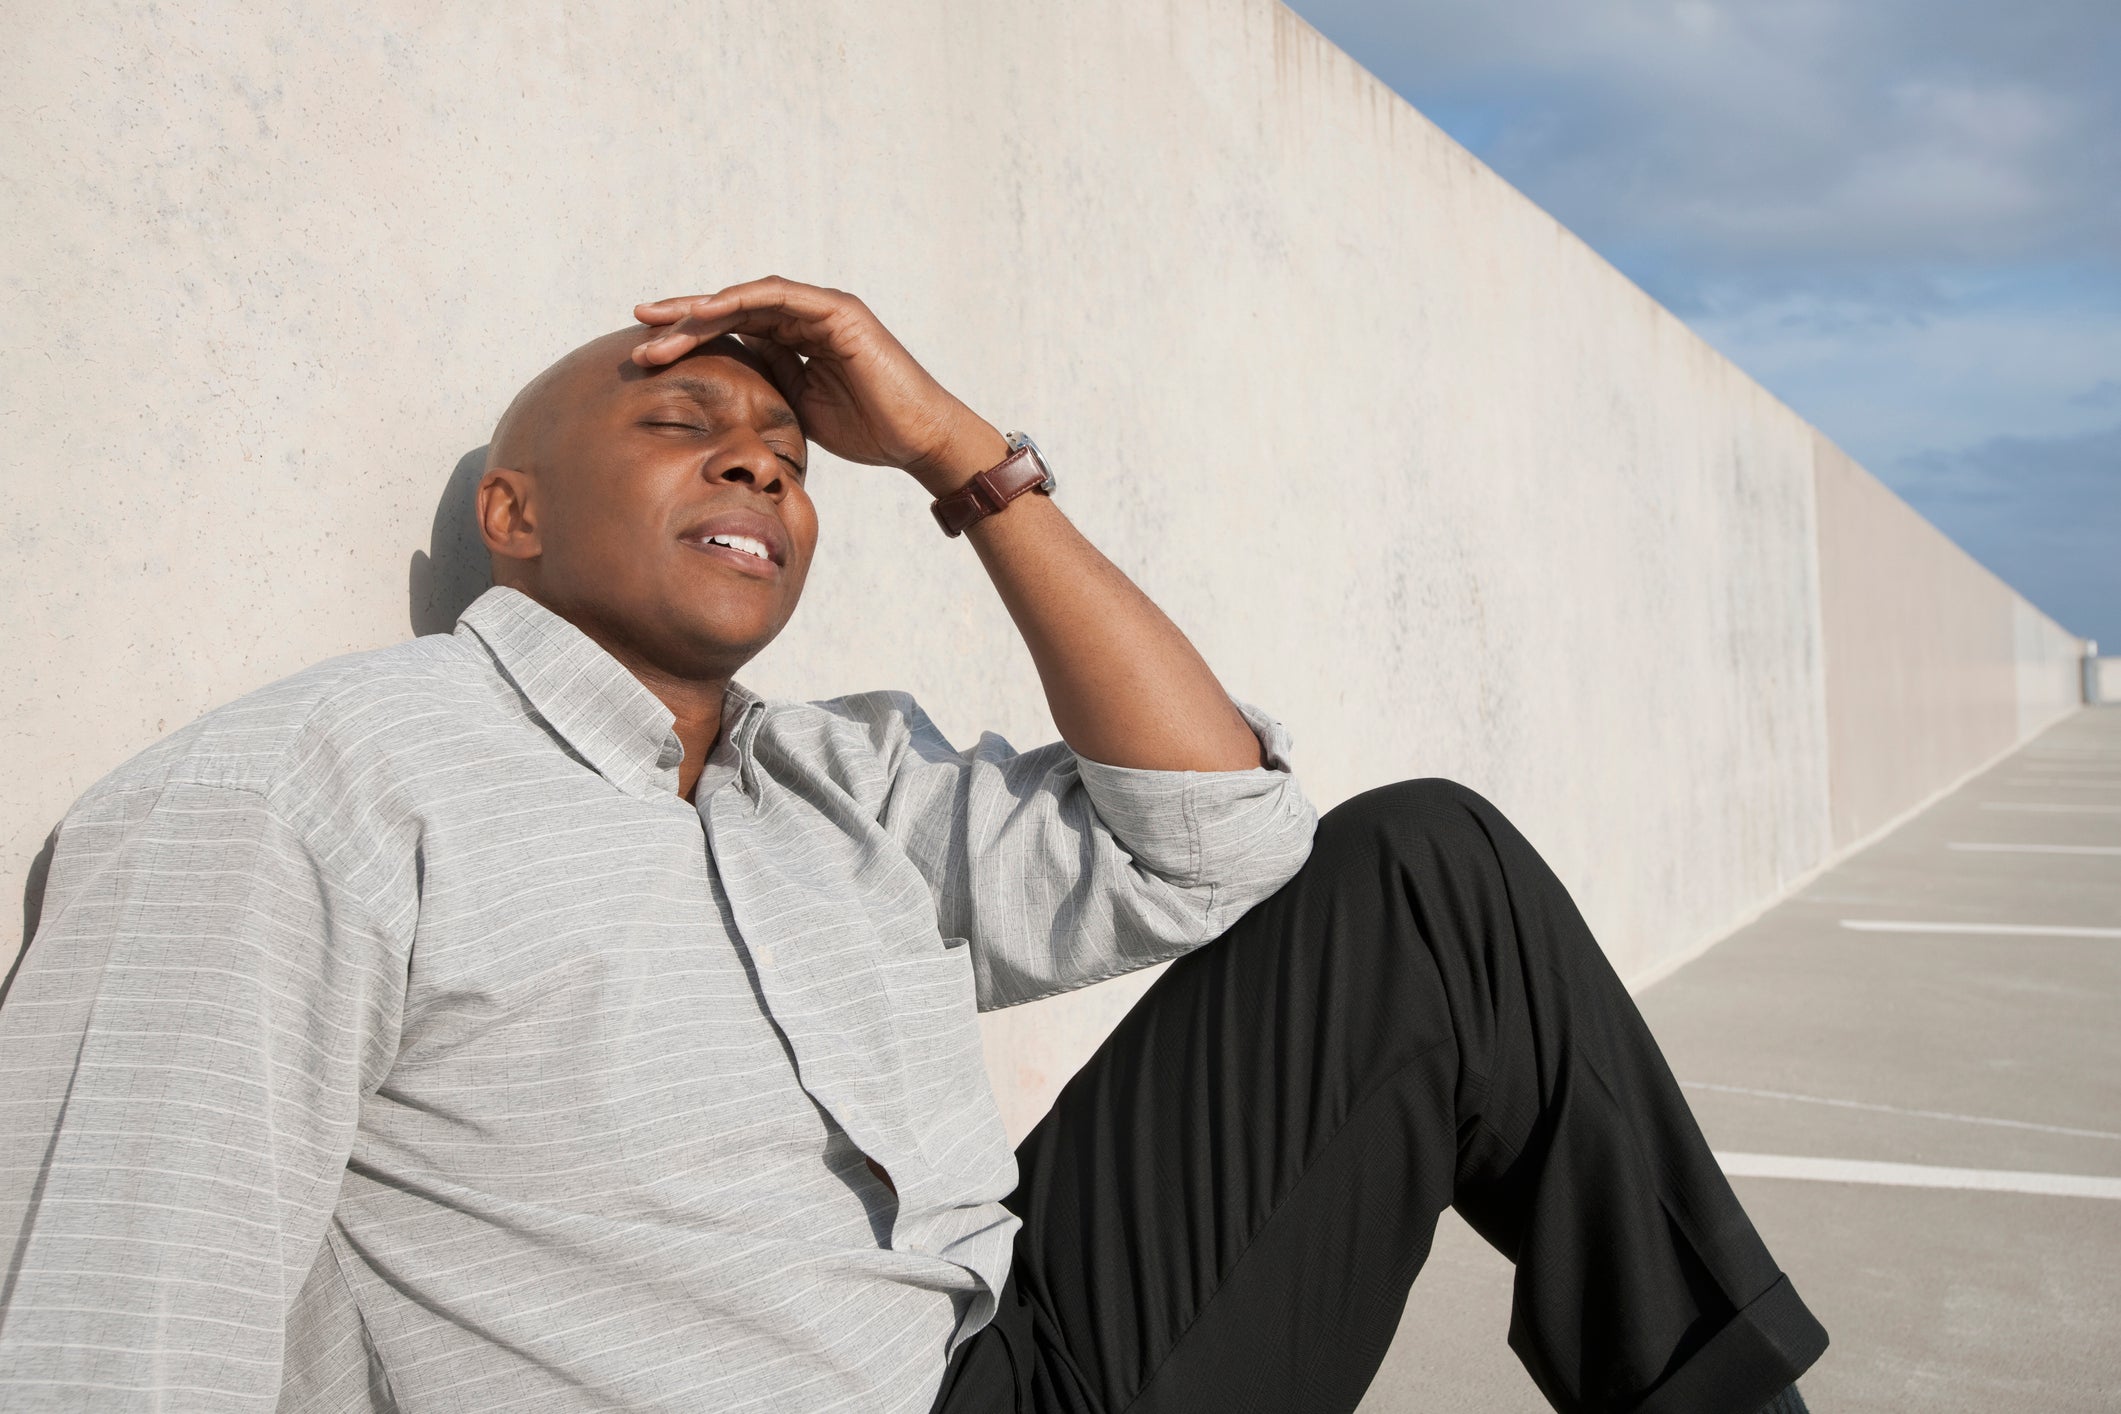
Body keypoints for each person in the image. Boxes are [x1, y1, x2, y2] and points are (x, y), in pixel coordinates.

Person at [0, 277, 1825, 1413]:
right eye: (683, 425)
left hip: (1014, 1356)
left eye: (793, 454)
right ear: (512, 513)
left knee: (1427, 877)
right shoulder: (304, 790)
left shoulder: (835, 780)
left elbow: (1217, 841)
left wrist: (960, 455)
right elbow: (117, 1321)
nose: (762, 471)